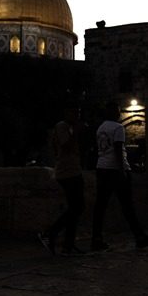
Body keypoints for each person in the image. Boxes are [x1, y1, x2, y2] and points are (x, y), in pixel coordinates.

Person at [91, 102, 148, 251]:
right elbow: (118, 149)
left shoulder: (101, 128)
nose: (119, 113)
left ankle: (96, 238)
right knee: (127, 205)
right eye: (118, 111)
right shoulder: (118, 127)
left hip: (101, 167)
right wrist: (123, 171)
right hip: (115, 170)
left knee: (100, 205)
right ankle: (139, 237)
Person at [39, 103, 86, 256]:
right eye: (75, 113)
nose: (78, 116)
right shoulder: (62, 127)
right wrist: (76, 133)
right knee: (76, 207)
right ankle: (50, 234)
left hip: (74, 170)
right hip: (67, 172)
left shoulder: (69, 128)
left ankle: (68, 244)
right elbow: (65, 146)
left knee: (76, 208)